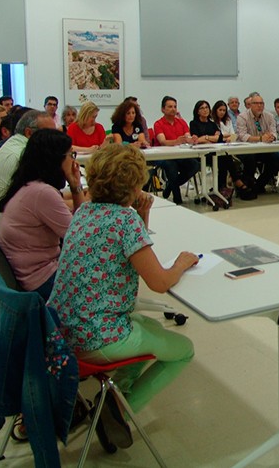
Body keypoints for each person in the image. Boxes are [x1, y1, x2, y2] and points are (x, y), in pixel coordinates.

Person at [48, 145, 197, 449]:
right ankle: (117, 413)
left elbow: (123, 253)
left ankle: (116, 395)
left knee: (152, 328)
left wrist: (141, 215)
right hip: (96, 339)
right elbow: (158, 281)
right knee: (183, 349)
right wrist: (182, 263)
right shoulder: (123, 221)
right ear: (134, 183)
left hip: (62, 331)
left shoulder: (84, 210)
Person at [0, 129, 84, 300]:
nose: (73, 160)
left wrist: (75, 186)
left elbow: (77, 224)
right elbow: (80, 236)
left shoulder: (29, 185)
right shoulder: (42, 193)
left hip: (29, 273)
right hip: (42, 279)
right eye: (70, 155)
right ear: (55, 159)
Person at [0, 110, 56, 232]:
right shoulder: (23, 155)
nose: (54, 139)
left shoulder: (13, 144)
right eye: (49, 134)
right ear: (29, 133)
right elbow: (45, 201)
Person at [153, 96, 201, 205]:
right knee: (171, 166)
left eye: (175, 106)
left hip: (180, 154)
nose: (173, 109)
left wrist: (192, 139)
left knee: (195, 165)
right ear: (163, 109)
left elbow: (187, 137)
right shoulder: (158, 124)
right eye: (169, 107)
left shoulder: (181, 122)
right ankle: (177, 198)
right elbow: (163, 141)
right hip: (164, 156)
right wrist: (177, 141)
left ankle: (170, 186)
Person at [235, 94, 279, 195]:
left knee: (275, 158)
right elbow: (243, 136)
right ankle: (248, 185)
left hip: (262, 148)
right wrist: (260, 138)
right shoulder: (242, 117)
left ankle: (259, 185)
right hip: (244, 149)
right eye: (256, 103)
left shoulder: (269, 116)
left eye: (261, 103)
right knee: (250, 158)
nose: (259, 106)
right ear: (250, 105)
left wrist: (271, 137)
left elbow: (273, 132)